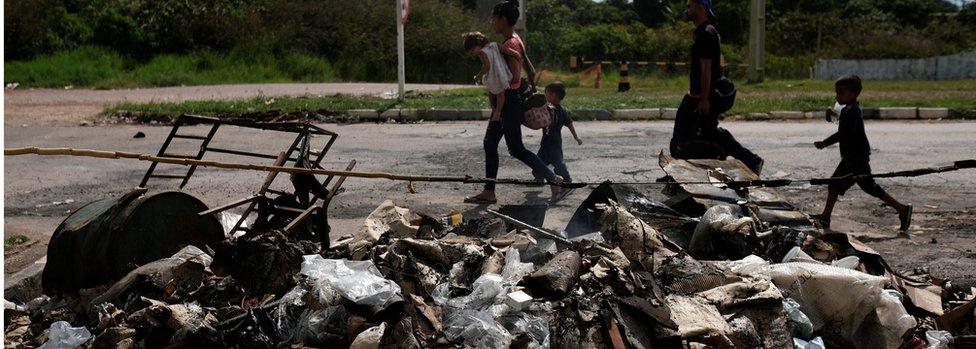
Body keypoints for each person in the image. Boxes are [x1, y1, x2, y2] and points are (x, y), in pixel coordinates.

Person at [465, 0, 563, 204]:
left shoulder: (508, 44)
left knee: (512, 148)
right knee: (493, 143)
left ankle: (553, 179)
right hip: (510, 101)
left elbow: (513, 78)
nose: (491, 21)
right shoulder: (515, 38)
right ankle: (490, 190)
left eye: (494, 17)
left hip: (507, 101)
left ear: (503, 19)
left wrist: (499, 97)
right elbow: (530, 67)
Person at [669, 0, 764, 174]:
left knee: (684, 136)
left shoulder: (706, 33)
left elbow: (707, 69)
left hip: (701, 97)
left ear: (700, 7)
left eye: (689, 6)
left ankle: (748, 160)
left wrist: (704, 99)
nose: (686, 9)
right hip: (699, 95)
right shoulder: (705, 31)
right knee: (708, 133)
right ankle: (749, 160)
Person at [812, 75, 913, 232]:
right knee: (851, 186)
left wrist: (824, 143)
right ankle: (825, 217)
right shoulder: (848, 109)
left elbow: (843, 134)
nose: (837, 96)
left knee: (854, 186)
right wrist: (832, 115)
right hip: (852, 158)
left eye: (841, 93)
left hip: (855, 159)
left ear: (853, 94)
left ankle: (902, 209)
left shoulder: (852, 112)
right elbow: (842, 122)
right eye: (836, 93)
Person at [532, 82, 582, 201]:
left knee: (559, 165)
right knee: (537, 165)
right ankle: (539, 177)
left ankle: (567, 181)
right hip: (545, 144)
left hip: (554, 144)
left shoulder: (560, 111)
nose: (545, 96)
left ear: (554, 95)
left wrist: (576, 137)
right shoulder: (546, 108)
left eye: (547, 94)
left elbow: (569, 123)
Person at [463, 31, 511, 121]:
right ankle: (498, 111)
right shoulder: (494, 45)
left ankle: (494, 110)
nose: (473, 53)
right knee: (501, 94)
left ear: (478, 45)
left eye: (473, 50)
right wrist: (515, 54)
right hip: (501, 73)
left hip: (492, 75)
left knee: (491, 92)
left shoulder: (482, 52)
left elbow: (487, 66)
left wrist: (479, 76)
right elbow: (506, 50)